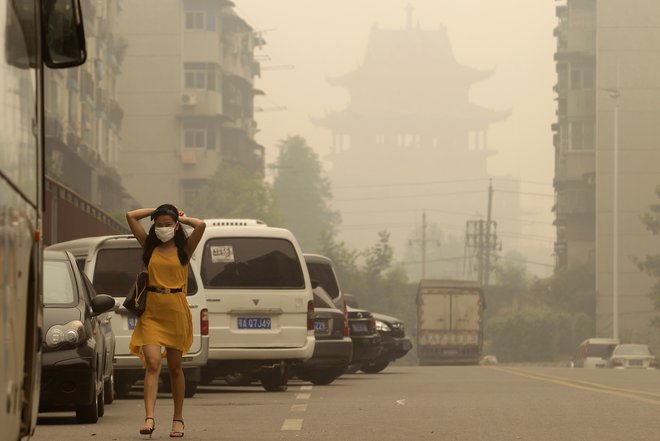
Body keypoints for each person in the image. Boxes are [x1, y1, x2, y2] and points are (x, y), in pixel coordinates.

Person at [126, 204, 206, 438]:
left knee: (175, 368)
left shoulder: (185, 249)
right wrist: (158, 208)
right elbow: (131, 216)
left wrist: (181, 215)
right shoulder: (149, 247)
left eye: (167, 224)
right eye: (159, 225)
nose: (163, 228)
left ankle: (178, 419)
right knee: (152, 364)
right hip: (152, 311)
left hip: (176, 311)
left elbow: (201, 226)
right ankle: (149, 417)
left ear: (176, 226)